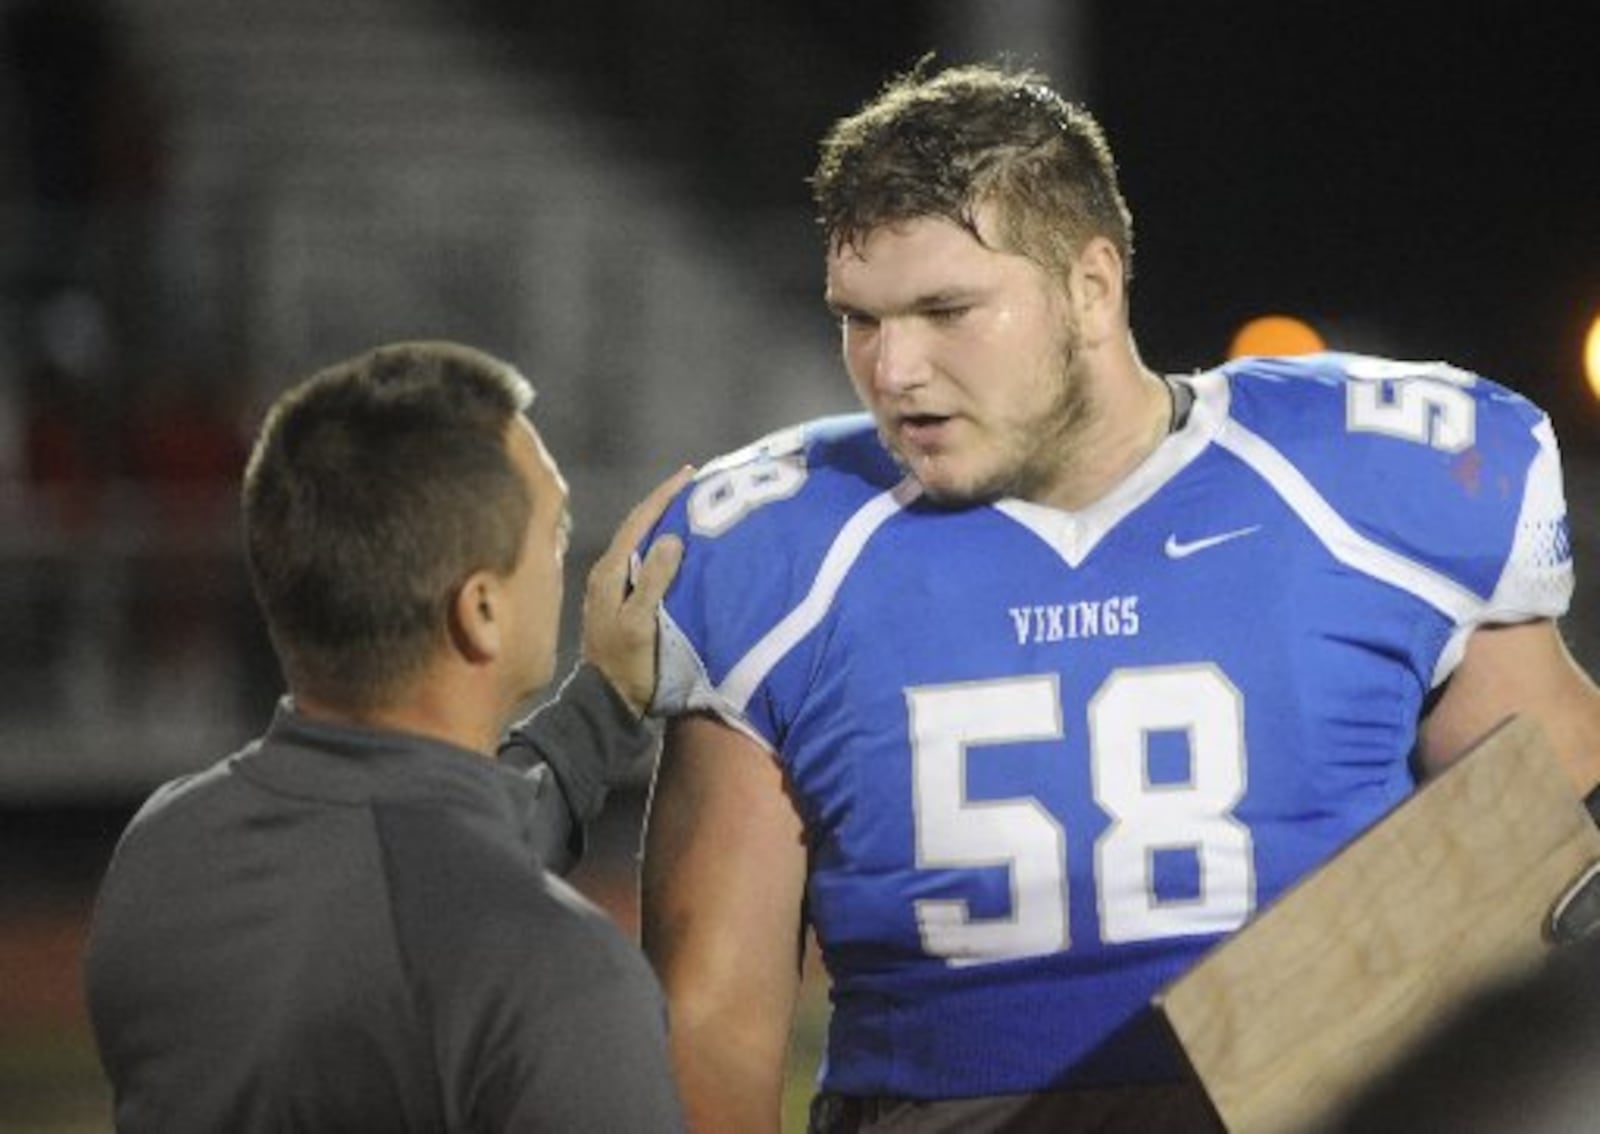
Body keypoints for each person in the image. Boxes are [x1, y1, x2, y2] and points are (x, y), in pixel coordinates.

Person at [636, 61, 1600, 1132]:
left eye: (945, 309)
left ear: (1091, 287)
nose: (893, 367)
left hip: (1315, 1097)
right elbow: (710, 1017)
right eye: (858, 319)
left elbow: (1559, 848)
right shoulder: (775, 548)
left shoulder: (1366, 484)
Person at [83, 341, 691, 1132]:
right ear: (480, 610)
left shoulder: (164, 849)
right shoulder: (565, 980)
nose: (566, 557)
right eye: (556, 528)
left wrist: (606, 699)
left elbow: (409, 876)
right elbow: (444, 904)